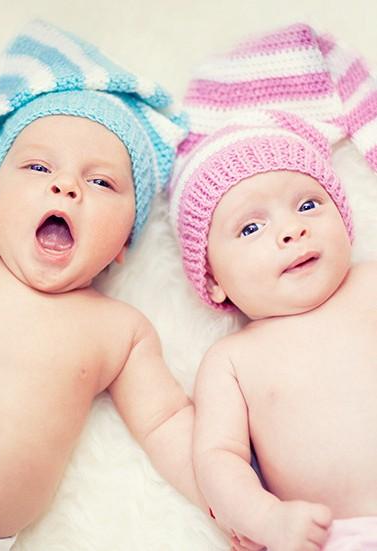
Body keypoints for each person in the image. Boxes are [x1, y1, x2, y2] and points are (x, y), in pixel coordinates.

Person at [0, 19, 205, 551]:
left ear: (125, 240)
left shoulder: (118, 330)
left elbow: (167, 422)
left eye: (101, 181)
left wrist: (232, 499)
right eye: (36, 167)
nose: (65, 185)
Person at [169, 24, 377, 551]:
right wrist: (266, 519)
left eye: (308, 204)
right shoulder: (231, 361)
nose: (291, 230)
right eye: (250, 227)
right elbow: (218, 460)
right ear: (213, 279)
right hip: (333, 536)